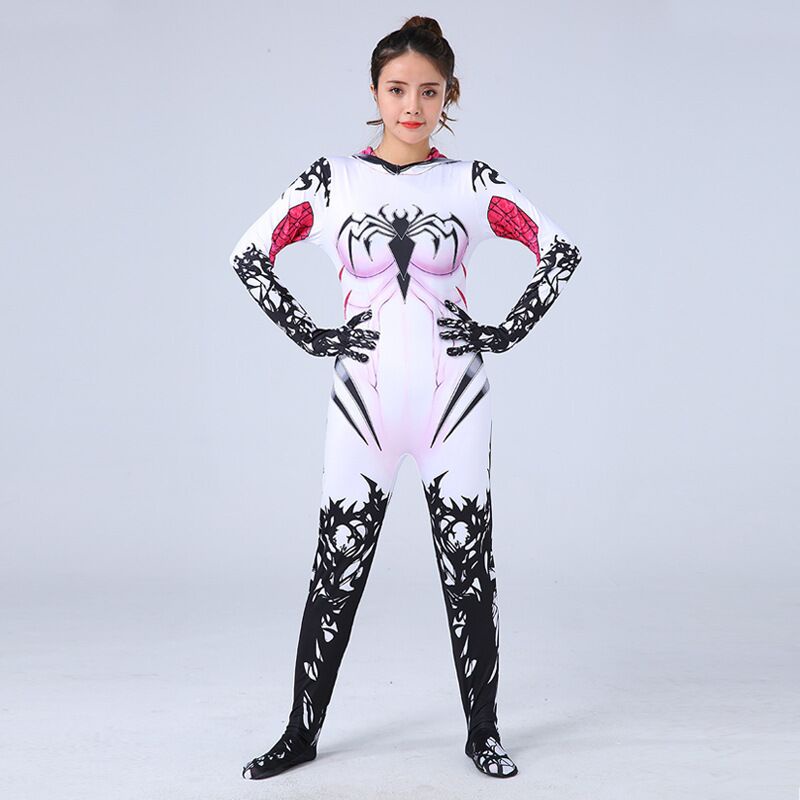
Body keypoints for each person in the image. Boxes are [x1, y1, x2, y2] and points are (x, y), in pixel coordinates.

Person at [228, 15, 582, 780]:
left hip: (455, 404)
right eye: (397, 90)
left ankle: (483, 734)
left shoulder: (471, 183)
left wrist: (501, 332)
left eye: (428, 91)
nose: (412, 106)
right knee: (335, 571)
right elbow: (250, 255)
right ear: (374, 93)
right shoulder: (331, 181)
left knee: (470, 570)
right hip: (363, 406)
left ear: (450, 94)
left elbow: (558, 251)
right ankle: (299, 733)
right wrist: (314, 335)